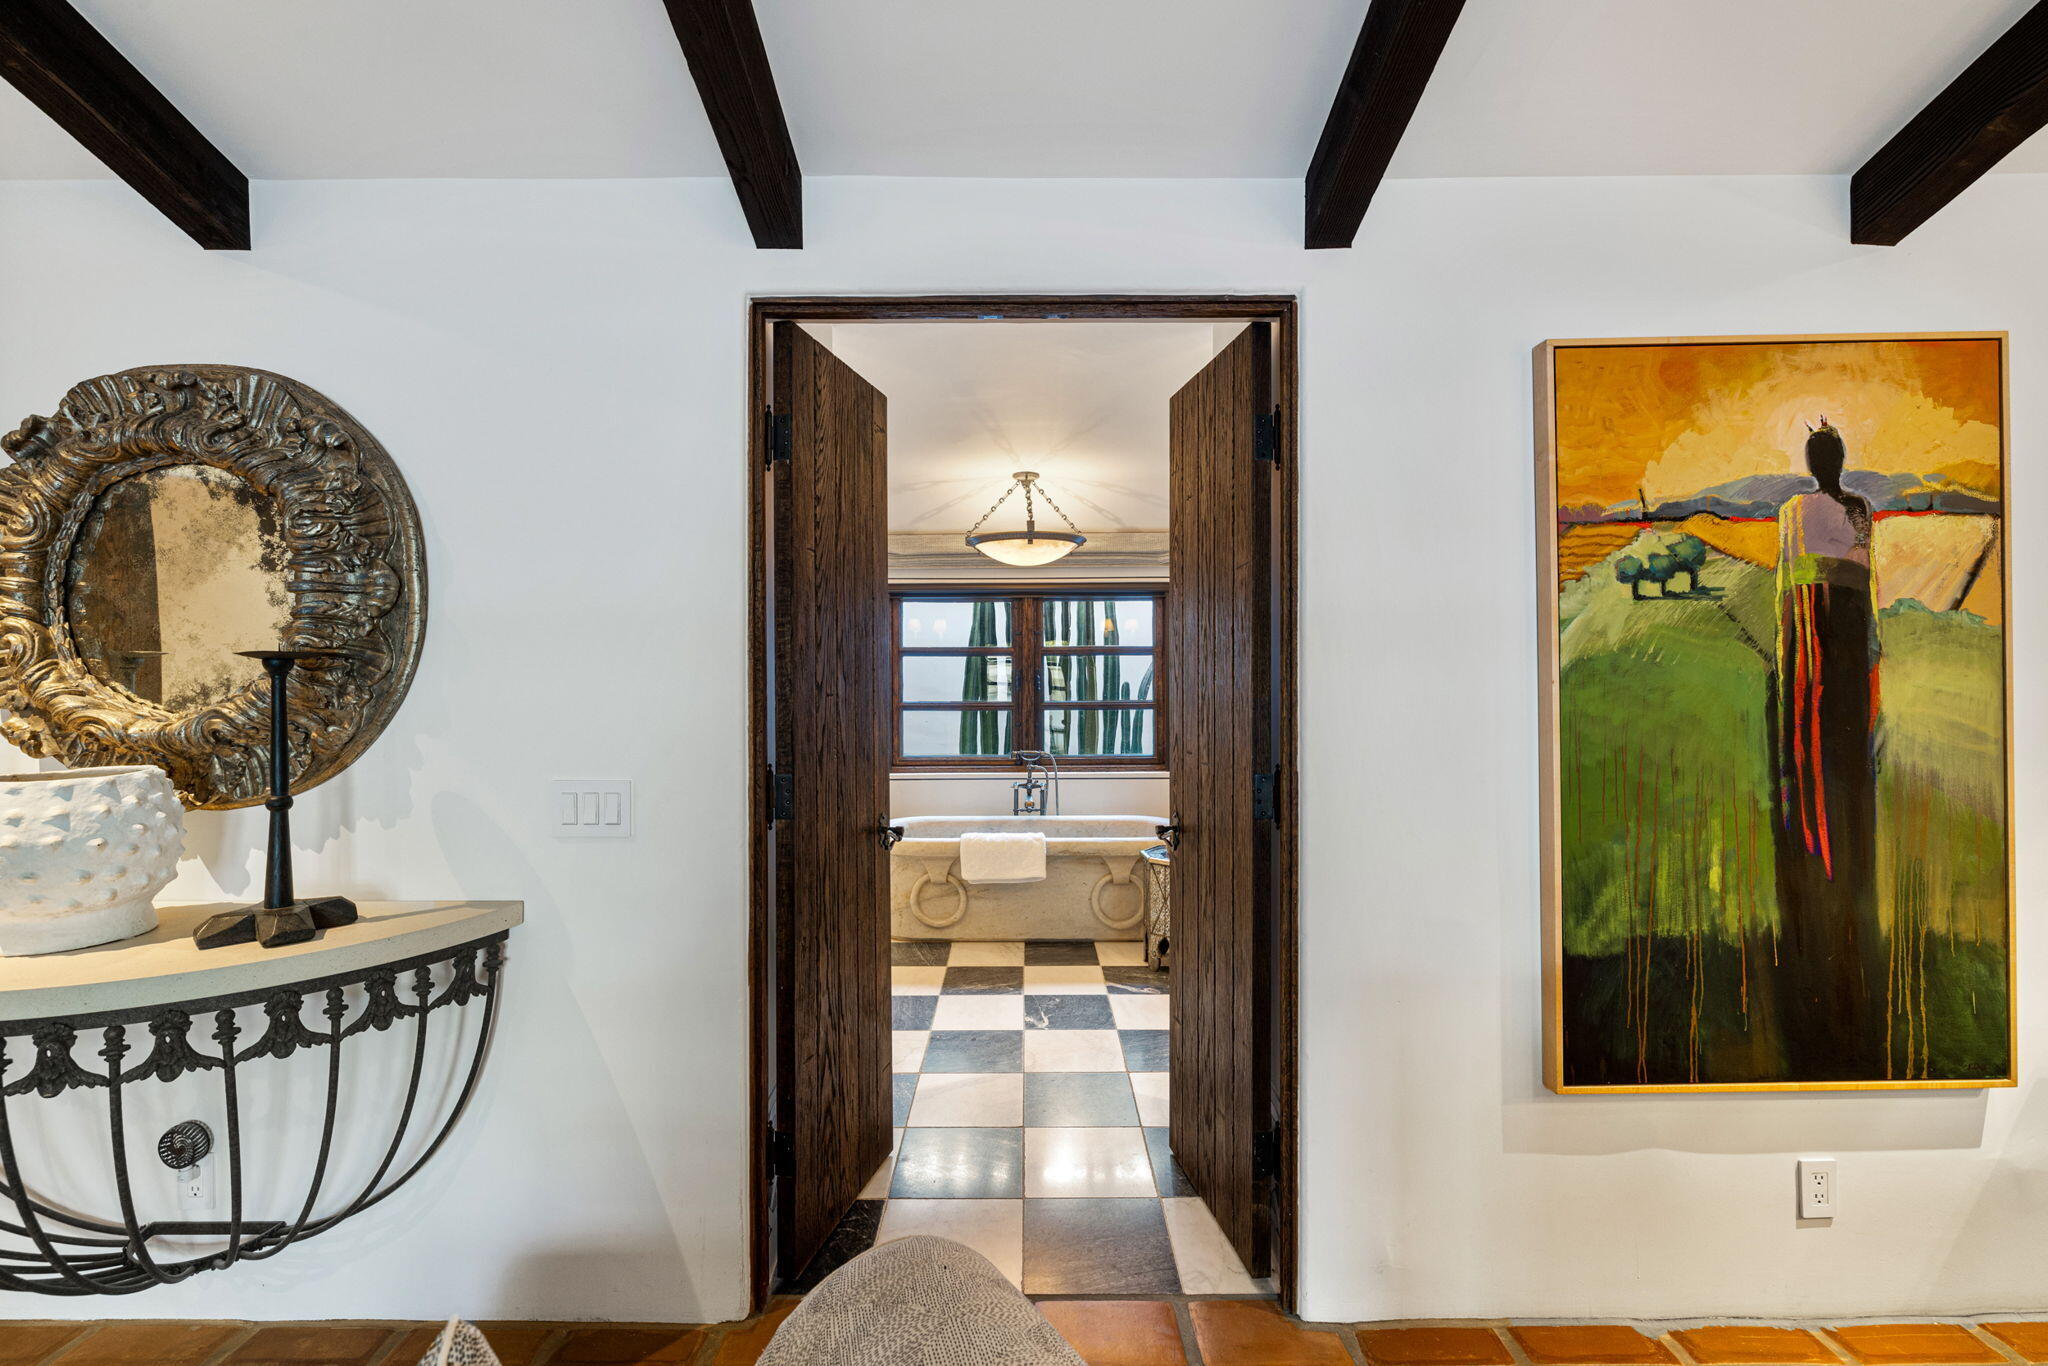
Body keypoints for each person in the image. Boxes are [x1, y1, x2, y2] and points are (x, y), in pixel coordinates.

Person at [1769, 419, 1884, 1079]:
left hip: (1817, 638)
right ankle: (1836, 830)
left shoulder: (1796, 510)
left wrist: (1795, 647)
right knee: (1845, 746)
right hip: (1840, 633)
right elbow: (1862, 588)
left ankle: (1815, 832)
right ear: (1833, 459)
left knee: (1818, 739)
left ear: (1816, 460)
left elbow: (1789, 588)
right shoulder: (1860, 510)